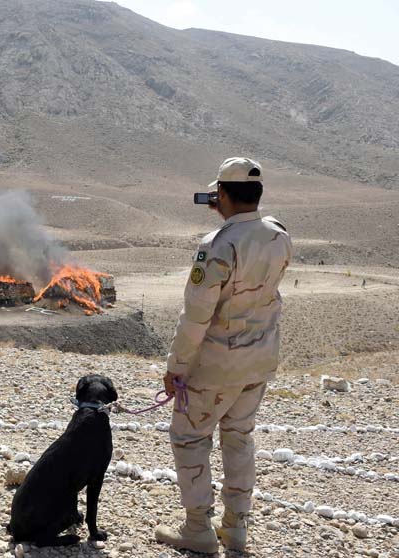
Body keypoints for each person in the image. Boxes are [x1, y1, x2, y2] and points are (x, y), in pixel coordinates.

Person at [154, 157, 292, 554]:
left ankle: (198, 528)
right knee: (239, 437)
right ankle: (236, 529)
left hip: (216, 364)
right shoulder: (279, 235)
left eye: (218, 196)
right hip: (259, 361)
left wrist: (175, 367)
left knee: (190, 438)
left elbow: (196, 317)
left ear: (224, 195)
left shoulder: (218, 245)